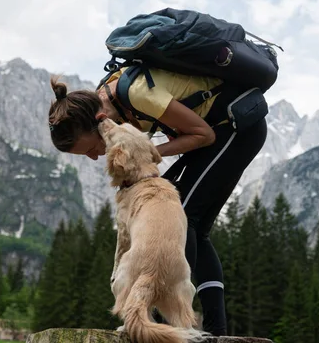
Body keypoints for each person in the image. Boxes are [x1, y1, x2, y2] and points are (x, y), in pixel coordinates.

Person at [48, 65, 267, 336]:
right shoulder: (114, 108)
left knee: (183, 216)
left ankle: (176, 327)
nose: (95, 157)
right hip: (215, 132)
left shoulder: (137, 95)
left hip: (235, 129)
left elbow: (203, 135)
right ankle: (210, 329)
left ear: (100, 119)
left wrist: (148, 152)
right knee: (196, 227)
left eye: (92, 149)